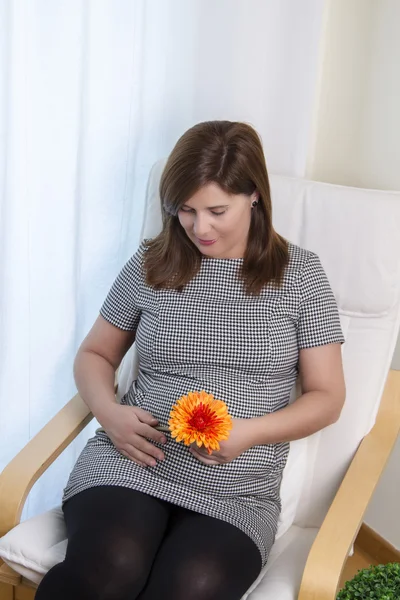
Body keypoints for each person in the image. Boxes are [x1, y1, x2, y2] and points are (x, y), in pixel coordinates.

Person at [35, 120, 345, 600]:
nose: (200, 227)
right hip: (132, 461)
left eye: (217, 210)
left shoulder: (300, 276)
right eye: (185, 210)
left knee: (188, 588)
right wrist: (109, 414)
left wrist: (251, 433)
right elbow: (95, 354)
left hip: (236, 490)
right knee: (108, 569)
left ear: (255, 196)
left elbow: (328, 397)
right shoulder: (152, 261)